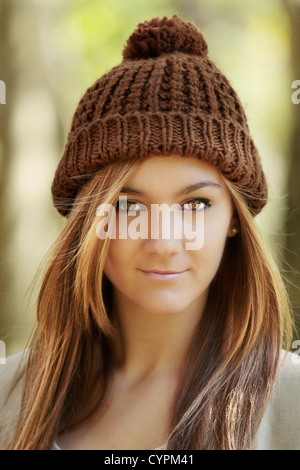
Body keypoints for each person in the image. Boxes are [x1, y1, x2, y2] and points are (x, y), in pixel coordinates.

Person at [0, 14, 300, 451]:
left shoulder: (291, 400)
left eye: (196, 205)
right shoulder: (11, 394)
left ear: (234, 218)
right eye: (128, 206)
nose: (162, 242)